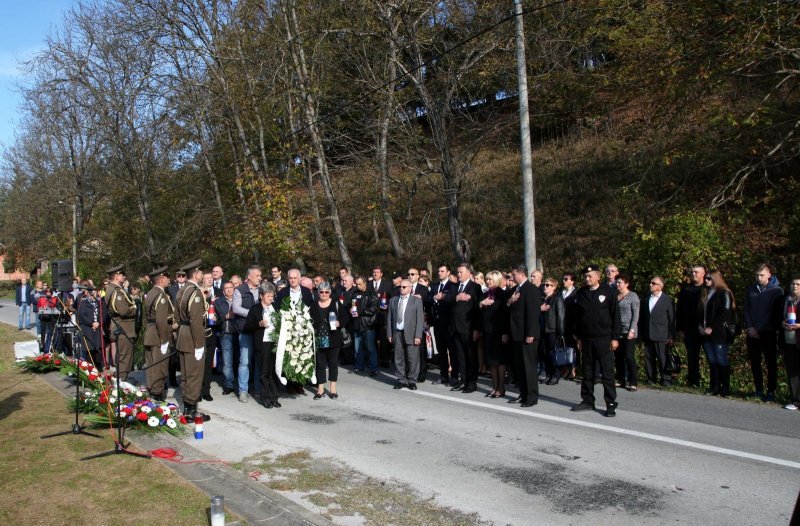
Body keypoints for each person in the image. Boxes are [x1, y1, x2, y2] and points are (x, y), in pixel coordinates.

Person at [571, 264, 621, 417]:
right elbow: (577, 318)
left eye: (590, 276)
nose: (587, 278)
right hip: (586, 339)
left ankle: (610, 403)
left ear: (598, 276)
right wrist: (578, 337)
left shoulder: (609, 292)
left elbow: (615, 317)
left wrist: (614, 338)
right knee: (588, 371)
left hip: (603, 339)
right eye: (585, 276)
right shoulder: (581, 293)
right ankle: (587, 400)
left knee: (607, 373)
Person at [175, 260, 210, 421]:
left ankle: (188, 407)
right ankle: (191, 410)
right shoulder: (194, 292)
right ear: (196, 274)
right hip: (192, 336)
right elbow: (196, 320)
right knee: (194, 374)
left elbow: (176, 314)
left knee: (186, 374)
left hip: (183, 334)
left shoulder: (183, 290)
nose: (202, 275)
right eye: (200, 272)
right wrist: (199, 344)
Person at [743, 263, 784, 401]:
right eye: (756, 275)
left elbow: (772, 313)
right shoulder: (751, 290)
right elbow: (746, 309)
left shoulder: (776, 291)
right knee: (755, 362)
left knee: (770, 362)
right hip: (752, 331)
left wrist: (758, 328)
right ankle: (758, 389)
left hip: (768, 332)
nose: (758, 278)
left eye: (761, 275)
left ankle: (771, 391)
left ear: (769, 275)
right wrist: (749, 327)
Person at [243, 283, 282, 408]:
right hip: (262, 343)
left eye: (272, 296)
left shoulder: (276, 307)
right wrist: (258, 324)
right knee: (264, 372)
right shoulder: (255, 309)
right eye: (268, 296)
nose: (271, 298)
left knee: (274, 371)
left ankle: (274, 396)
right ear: (261, 296)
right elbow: (247, 327)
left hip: (275, 342)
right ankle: (265, 397)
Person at [507, 264, 541, 407]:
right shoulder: (515, 289)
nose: (512, 277)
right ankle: (523, 393)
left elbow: (533, 313)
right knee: (519, 366)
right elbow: (508, 307)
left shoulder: (531, 289)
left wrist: (531, 333)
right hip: (516, 333)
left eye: (514, 275)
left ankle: (532, 397)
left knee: (529, 367)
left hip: (527, 334)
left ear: (521, 274)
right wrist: (510, 301)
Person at [445, 263, 482, 393]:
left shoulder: (475, 287)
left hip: (468, 328)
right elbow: (447, 299)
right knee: (460, 356)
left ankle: (472, 382)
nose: (459, 274)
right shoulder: (454, 286)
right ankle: (464, 380)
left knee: (471, 356)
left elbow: (478, 309)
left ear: (468, 273)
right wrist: (456, 297)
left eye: (461, 272)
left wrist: (477, 329)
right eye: (458, 272)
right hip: (455, 327)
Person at [310, 281, 349, 399]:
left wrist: (339, 323)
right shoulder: (313, 305)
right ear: (318, 292)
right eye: (321, 292)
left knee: (333, 364)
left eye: (326, 292)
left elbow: (345, 317)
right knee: (320, 365)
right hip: (318, 339)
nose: (324, 294)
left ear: (330, 293)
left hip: (333, 339)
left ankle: (333, 389)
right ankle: (320, 390)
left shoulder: (336, 303)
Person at [699, 270, 735, 397]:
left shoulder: (724, 293)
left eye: (709, 278)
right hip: (705, 331)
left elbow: (725, 312)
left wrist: (711, 327)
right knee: (712, 359)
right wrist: (700, 326)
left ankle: (725, 387)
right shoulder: (705, 293)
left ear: (716, 279)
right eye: (705, 278)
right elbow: (700, 312)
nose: (706, 281)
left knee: (721, 358)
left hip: (719, 332)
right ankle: (714, 385)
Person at [142, 267, 175, 402]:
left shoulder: (150, 293)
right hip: (158, 334)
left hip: (150, 331)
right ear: (161, 279)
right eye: (167, 277)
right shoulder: (161, 296)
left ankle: (151, 389)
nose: (169, 280)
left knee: (151, 364)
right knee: (159, 365)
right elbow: (161, 319)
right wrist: (164, 339)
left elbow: (146, 316)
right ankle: (157, 392)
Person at [232, 265, 262, 403]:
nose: (259, 278)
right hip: (245, 330)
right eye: (257, 276)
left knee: (258, 361)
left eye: (260, 276)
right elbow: (236, 308)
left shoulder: (262, 289)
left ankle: (257, 389)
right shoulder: (240, 290)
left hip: (260, 330)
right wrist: (253, 314)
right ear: (249, 276)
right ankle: (243, 391)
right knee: (244, 361)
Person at [387, 279, 425, 390]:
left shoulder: (416, 301)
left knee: (412, 358)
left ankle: (412, 380)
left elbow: (420, 320)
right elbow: (390, 318)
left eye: (404, 287)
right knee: (399, 357)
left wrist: (418, 335)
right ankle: (401, 379)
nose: (401, 289)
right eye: (400, 287)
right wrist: (389, 333)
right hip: (397, 332)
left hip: (411, 333)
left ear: (410, 288)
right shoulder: (394, 300)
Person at [639, 276, 675, 387]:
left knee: (663, 357)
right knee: (649, 357)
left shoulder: (667, 299)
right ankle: (651, 378)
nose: (650, 285)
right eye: (650, 283)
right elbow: (642, 318)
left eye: (653, 283)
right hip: (648, 333)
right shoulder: (645, 299)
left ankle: (666, 379)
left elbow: (672, 318)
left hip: (662, 333)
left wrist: (671, 335)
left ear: (660, 286)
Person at [105, 265, 137, 382]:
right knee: (125, 356)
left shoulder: (113, 289)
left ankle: (120, 379)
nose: (124, 277)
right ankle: (121, 382)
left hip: (120, 326)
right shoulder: (117, 291)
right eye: (122, 275)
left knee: (122, 355)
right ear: (117, 276)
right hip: (123, 327)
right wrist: (134, 309)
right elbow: (123, 311)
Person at [480, 271, 510, 398]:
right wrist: (482, 304)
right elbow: (479, 312)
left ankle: (501, 388)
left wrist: (505, 332)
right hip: (488, 332)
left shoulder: (503, 295)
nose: (488, 282)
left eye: (490, 280)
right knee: (491, 361)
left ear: (497, 280)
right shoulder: (485, 294)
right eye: (487, 280)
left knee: (500, 361)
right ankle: (494, 386)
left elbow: (506, 315)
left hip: (499, 331)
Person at [676, 265, 707, 388]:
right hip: (689, 329)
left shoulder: (707, 289)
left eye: (696, 272)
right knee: (692, 357)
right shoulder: (686, 290)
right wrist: (680, 328)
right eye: (692, 272)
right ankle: (693, 381)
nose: (693, 274)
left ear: (703, 274)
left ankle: (716, 383)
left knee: (711, 356)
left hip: (705, 328)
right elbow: (679, 310)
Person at [428, 264, 455, 386]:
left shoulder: (452, 286)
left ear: (448, 272)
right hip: (437, 323)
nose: (439, 273)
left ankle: (454, 376)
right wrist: (434, 298)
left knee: (452, 351)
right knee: (441, 351)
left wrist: (443, 298)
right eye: (438, 271)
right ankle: (443, 375)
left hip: (449, 323)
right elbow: (428, 300)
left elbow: (453, 300)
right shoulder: (434, 286)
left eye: (442, 271)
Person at [615, 274, 640, 391]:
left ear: (626, 284)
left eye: (620, 282)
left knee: (629, 356)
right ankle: (621, 379)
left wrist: (632, 329)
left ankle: (633, 381)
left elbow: (636, 315)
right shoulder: (615, 296)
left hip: (629, 330)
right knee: (618, 356)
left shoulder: (632, 296)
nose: (618, 284)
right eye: (617, 282)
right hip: (617, 331)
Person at [351, 276, 379, 376]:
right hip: (357, 323)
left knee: (370, 347)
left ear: (365, 283)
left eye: (360, 284)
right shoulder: (355, 293)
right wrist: (352, 310)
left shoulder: (372, 293)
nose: (358, 286)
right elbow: (353, 305)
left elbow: (373, 308)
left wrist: (360, 312)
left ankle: (373, 368)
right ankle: (359, 365)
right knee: (357, 348)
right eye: (357, 284)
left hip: (368, 324)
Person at [779, 276, 800, 410]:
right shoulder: (784, 300)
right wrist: (781, 323)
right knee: (792, 370)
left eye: (798, 284)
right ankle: (795, 400)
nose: (795, 286)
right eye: (793, 284)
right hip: (788, 340)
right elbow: (776, 317)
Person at [214, 281, 237, 395]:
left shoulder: (239, 300)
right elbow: (216, 319)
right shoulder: (219, 302)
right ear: (223, 291)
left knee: (241, 360)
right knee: (227, 361)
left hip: (239, 334)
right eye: (226, 288)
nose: (229, 290)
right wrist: (226, 316)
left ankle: (243, 384)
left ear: (234, 288)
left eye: (230, 288)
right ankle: (229, 384)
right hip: (226, 334)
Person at [541, 277, 566, 385]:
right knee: (545, 353)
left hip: (553, 330)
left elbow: (560, 316)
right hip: (542, 330)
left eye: (548, 285)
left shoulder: (557, 298)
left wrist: (560, 333)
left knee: (554, 353)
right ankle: (548, 374)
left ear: (554, 287)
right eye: (544, 284)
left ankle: (556, 374)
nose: (545, 287)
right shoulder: (542, 299)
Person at [408, 268, 430, 382]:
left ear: (417, 276)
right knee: (408, 348)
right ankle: (410, 371)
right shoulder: (404, 287)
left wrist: (422, 299)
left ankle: (422, 373)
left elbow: (428, 303)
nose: (410, 276)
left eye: (412, 274)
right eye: (408, 274)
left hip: (419, 321)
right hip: (407, 322)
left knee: (420, 349)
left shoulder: (423, 289)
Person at [369, 266, 392, 367]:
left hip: (383, 315)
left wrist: (387, 304)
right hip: (371, 316)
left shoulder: (387, 284)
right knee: (372, 340)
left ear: (381, 274)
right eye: (374, 272)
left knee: (383, 340)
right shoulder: (368, 284)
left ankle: (385, 360)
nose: (375, 274)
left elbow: (391, 298)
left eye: (377, 272)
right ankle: (374, 360)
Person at [77, 286, 104, 369]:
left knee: (98, 350)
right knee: (90, 350)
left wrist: (99, 322)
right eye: (92, 293)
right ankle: (90, 368)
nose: (93, 295)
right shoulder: (83, 303)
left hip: (98, 328)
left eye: (95, 293)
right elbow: (82, 316)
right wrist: (92, 323)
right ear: (88, 293)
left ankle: (99, 368)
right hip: (88, 329)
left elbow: (105, 314)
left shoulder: (100, 303)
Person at [561, 272, 579, 380]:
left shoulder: (576, 293)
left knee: (573, 348)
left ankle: (574, 369)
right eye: (563, 279)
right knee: (564, 346)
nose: (564, 281)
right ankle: (566, 367)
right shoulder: (560, 292)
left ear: (572, 281)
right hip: (562, 324)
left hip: (572, 324)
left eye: (566, 279)